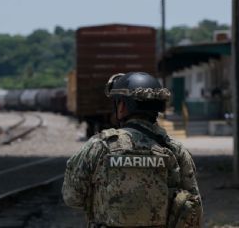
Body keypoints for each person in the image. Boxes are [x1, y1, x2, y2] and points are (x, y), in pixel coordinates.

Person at [62, 72, 202, 228]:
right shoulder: (175, 150)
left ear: (122, 106)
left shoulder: (99, 146)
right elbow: (193, 207)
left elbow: (72, 197)